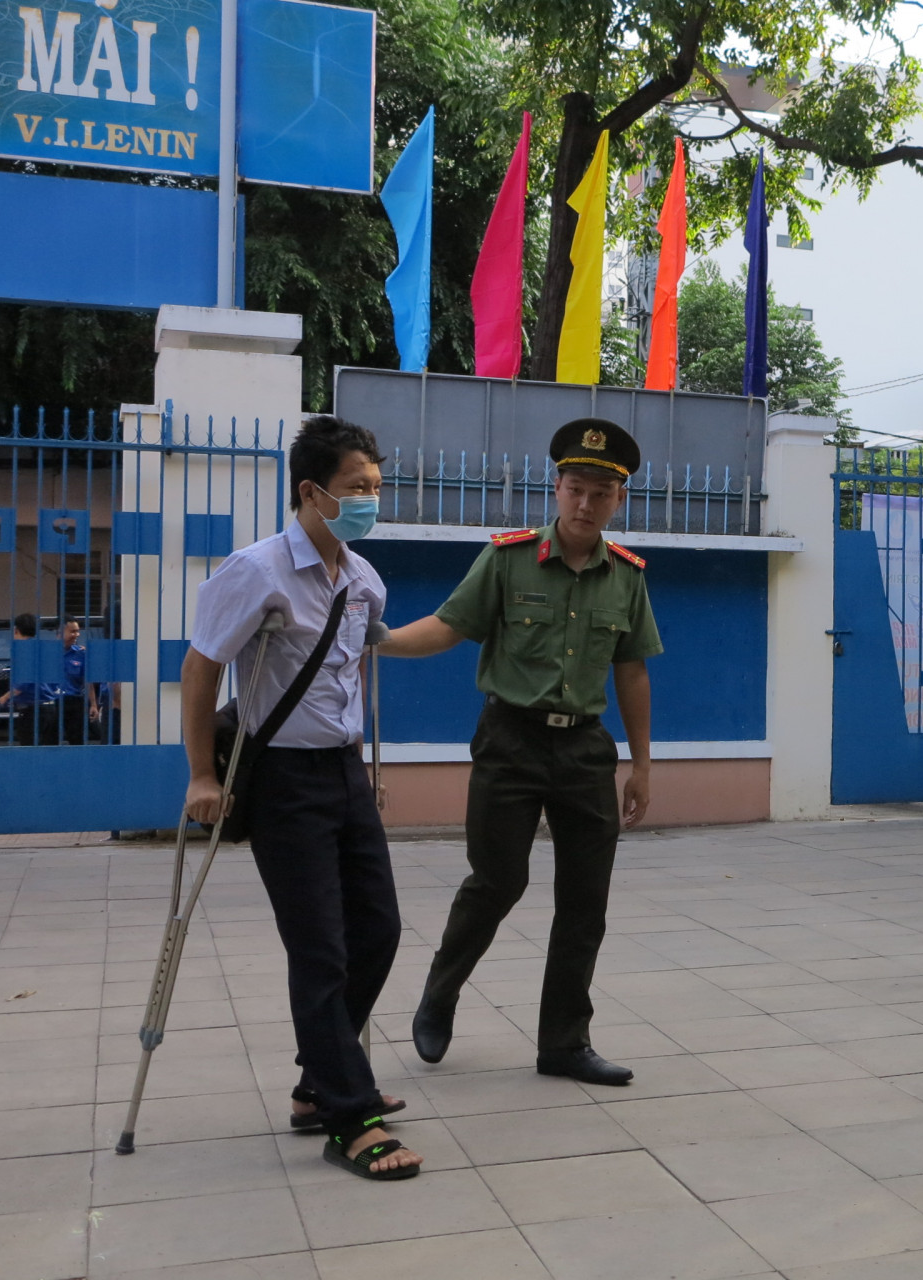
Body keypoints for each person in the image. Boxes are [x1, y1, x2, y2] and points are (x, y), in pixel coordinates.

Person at [380, 417, 662, 1087]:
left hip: (586, 749)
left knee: (585, 901)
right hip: (510, 740)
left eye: (601, 492)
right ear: (556, 487)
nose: (587, 503)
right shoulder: (507, 559)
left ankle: (564, 1044)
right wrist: (377, 641)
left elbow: (633, 672)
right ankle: (440, 994)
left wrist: (643, 764)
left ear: (618, 499)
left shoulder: (626, 577)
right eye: (576, 489)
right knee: (498, 880)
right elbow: (450, 627)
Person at [180, 414, 422, 1181]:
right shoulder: (255, 571)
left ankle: (323, 1077)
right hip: (280, 779)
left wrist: (359, 756)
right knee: (318, 946)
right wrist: (202, 774)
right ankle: (351, 1116)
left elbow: (353, 669)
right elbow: (200, 669)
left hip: (344, 775)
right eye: (357, 488)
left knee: (377, 929)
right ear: (312, 492)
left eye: (376, 488)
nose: (369, 501)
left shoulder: (363, 579)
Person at [0, 613, 61, 745]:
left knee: (30, 750)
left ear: (16, 630)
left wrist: (5, 696)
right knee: (47, 751)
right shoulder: (44, 649)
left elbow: (23, 683)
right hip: (50, 707)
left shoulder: (24, 650)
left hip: (32, 710)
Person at [55, 618, 99, 744]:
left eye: (78, 631)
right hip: (53, 702)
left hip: (74, 702)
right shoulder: (48, 653)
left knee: (77, 741)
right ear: (60, 633)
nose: (77, 635)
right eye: (72, 631)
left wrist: (93, 704)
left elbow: (88, 681)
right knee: (50, 742)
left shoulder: (81, 654)